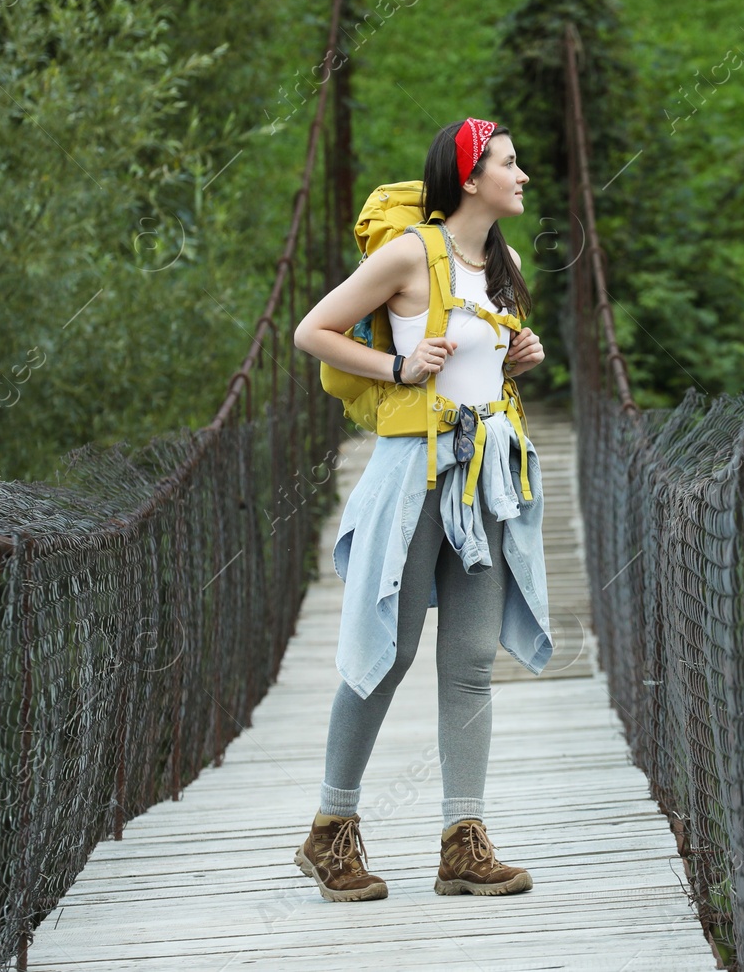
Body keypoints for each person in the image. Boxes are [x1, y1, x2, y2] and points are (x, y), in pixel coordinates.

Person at [290, 117, 549, 902]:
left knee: (470, 661)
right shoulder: (410, 252)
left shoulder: (497, 261)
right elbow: (313, 331)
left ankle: (462, 841)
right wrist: (398, 365)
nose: (524, 174)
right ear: (470, 177)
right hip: (418, 476)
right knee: (389, 651)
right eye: (510, 161)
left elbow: (476, 366)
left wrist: (517, 360)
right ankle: (330, 830)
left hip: (485, 476)